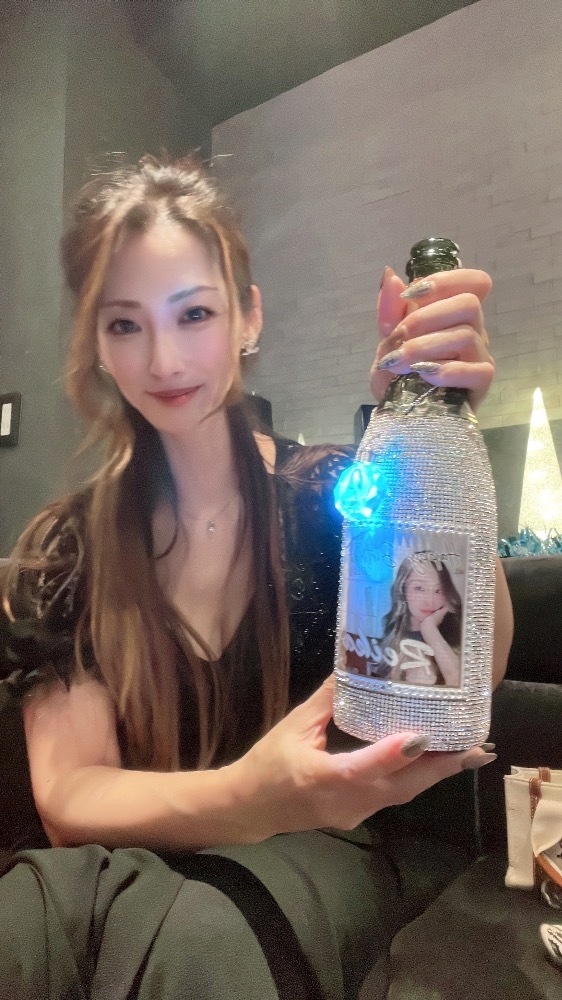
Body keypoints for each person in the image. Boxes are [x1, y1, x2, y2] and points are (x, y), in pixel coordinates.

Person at [0, 155, 513, 999]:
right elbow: (70, 795)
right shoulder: (72, 549)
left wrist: (426, 441)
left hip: (317, 862)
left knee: (202, 935)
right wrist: (251, 794)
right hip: (124, 870)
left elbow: (466, 668)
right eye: (125, 324)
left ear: (249, 315)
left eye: (194, 313)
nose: (164, 358)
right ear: (96, 342)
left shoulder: (335, 495)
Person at [381, 552, 463, 686]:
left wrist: (430, 630)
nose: (429, 601)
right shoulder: (389, 629)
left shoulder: (457, 632)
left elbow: (458, 683)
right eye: (419, 588)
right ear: (403, 590)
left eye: (438, 591)